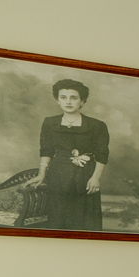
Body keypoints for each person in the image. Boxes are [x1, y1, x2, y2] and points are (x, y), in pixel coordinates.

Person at [30, 77, 110, 231]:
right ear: (57, 100)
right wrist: (41, 174)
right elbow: (46, 150)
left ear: (82, 101)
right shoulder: (49, 123)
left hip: (86, 177)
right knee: (58, 220)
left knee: (85, 223)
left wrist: (95, 178)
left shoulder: (97, 125)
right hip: (58, 176)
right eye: (63, 97)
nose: (68, 101)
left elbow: (102, 154)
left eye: (73, 98)